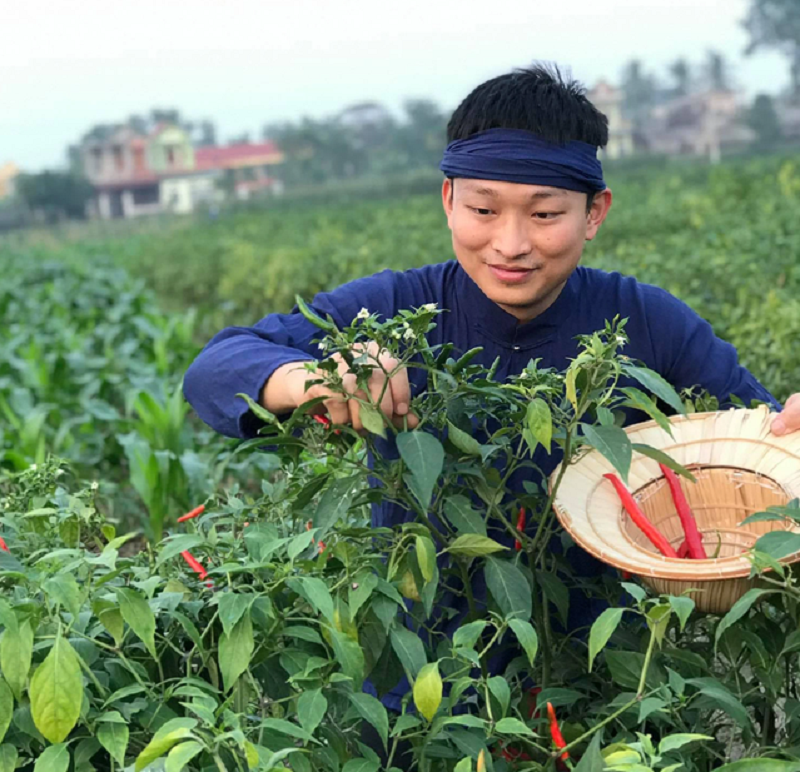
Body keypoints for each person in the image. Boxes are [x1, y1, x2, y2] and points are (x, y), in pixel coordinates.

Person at [184, 63, 800, 757]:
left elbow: (764, 437)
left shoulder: (644, 320)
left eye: (544, 214)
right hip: (423, 687)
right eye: (483, 210)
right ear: (448, 200)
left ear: (594, 213)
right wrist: (315, 378)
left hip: (611, 682)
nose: (510, 244)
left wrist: (792, 431)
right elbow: (216, 367)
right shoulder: (393, 311)